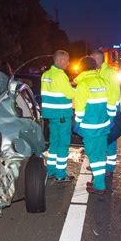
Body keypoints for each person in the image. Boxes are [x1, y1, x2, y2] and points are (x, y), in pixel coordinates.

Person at [74, 56, 116, 194]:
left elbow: (80, 108)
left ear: (81, 68)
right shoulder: (104, 82)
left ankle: (99, 185)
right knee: (100, 153)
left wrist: (78, 123)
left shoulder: (83, 84)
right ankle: (99, 182)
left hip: (89, 128)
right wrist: (110, 120)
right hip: (104, 126)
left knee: (94, 156)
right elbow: (111, 104)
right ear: (95, 68)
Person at [41, 50, 76, 182]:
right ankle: (61, 175)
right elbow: (70, 94)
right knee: (63, 145)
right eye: (67, 61)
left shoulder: (45, 74)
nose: (68, 64)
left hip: (51, 115)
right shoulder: (60, 75)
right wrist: (80, 90)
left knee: (53, 144)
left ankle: (51, 171)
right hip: (62, 115)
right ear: (60, 60)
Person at [91, 50, 121, 176]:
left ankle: (109, 167)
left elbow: (115, 93)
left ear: (100, 59)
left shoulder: (110, 72)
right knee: (100, 138)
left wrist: (111, 112)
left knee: (110, 137)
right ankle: (100, 165)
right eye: (91, 59)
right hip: (99, 109)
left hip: (110, 109)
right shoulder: (94, 72)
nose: (92, 61)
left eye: (94, 59)